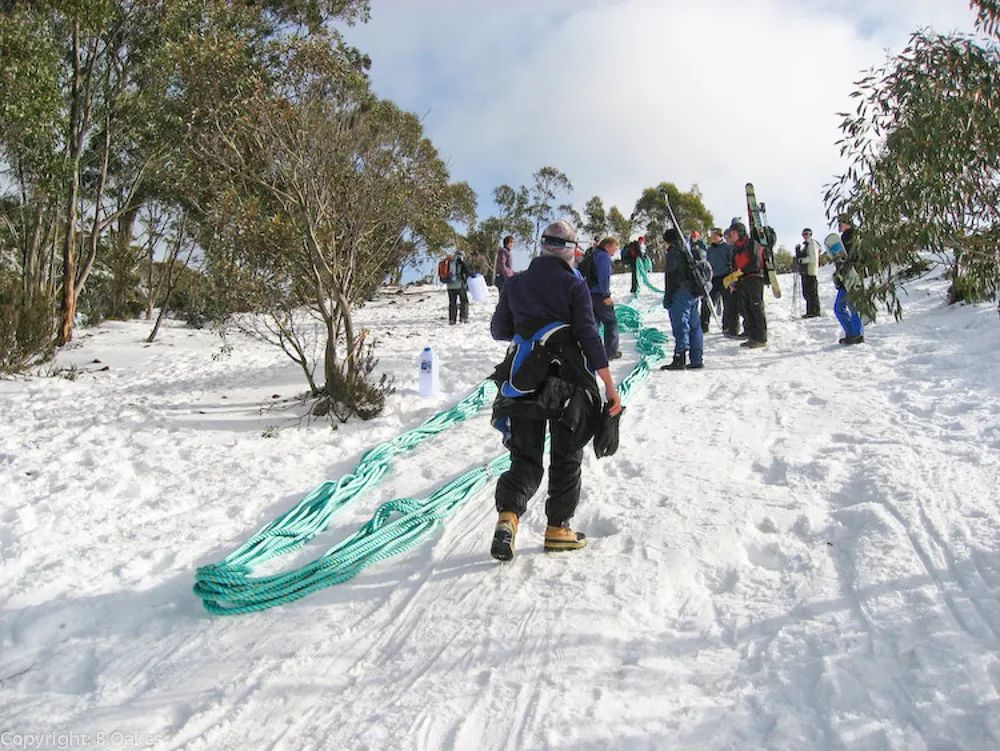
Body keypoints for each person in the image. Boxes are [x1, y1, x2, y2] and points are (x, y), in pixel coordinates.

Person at [488, 220, 622, 561]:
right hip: (568, 382)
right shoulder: (573, 285)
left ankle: (508, 518)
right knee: (566, 456)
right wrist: (609, 386)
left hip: (523, 379)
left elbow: (499, 329)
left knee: (525, 458)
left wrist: (530, 329)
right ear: (569, 250)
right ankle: (558, 529)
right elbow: (590, 337)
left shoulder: (516, 284)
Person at [660, 228, 704, 370]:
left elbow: (671, 277)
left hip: (680, 292)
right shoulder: (688, 249)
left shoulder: (674, 253)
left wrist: (668, 297)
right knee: (695, 326)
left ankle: (680, 358)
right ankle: (696, 358)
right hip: (693, 291)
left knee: (680, 325)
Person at [723, 221, 767, 348]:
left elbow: (755, 262)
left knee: (756, 307)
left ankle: (761, 337)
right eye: (731, 234)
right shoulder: (736, 248)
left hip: (754, 278)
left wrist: (741, 271)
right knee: (746, 308)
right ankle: (752, 335)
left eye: (734, 233)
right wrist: (734, 281)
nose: (732, 236)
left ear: (741, 233)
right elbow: (735, 266)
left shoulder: (751, 243)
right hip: (744, 280)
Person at [588, 237, 622, 359]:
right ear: (607, 246)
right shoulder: (603, 256)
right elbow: (604, 277)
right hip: (599, 295)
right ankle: (610, 352)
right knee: (611, 322)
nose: (614, 252)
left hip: (588, 294)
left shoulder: (593, 255)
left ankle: (591, 352)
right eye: (614, 248)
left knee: (594, 325)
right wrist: (606, 295)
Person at [834, 214, 864, 345]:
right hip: (845, 277)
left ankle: (857, 334)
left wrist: (848, 266)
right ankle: (852, 333)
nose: (839, 225)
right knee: (839, 307)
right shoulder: (844, 238)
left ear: (847, 223)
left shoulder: (853, 236)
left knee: (852, 306)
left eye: (840, 222)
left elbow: (855, 257)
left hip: (852, 276)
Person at [703, 227, 736, 335]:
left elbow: (731, 262)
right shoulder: (709, 250)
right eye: (711, 235)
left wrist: (732, 279)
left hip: (725, 277)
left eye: (713, 235)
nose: (711, 237)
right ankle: (703, 326)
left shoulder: (727, 248)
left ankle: (727, 327)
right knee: (707, 302)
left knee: (727, 303)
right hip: (713, 279)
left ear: (719, 236)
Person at [796, 227, 822, 318]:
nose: (805, 236)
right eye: (803, 234)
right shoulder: (806, 245)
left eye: (807, 234)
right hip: (806, 272)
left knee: (811, 292)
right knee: (807, 292)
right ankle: (810, 311)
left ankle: (814, 311)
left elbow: (812, 258)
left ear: (811, 234)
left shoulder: (812, 244)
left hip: (811, 271)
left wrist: (801, 260)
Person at [445, 248, 471, 325]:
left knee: (452, 302)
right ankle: (463, 318)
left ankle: (452, 320)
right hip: (459, 285)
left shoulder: (449, 261)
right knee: (464, 301)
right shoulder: (461, 261)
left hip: (449, 285)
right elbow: (467, 271)